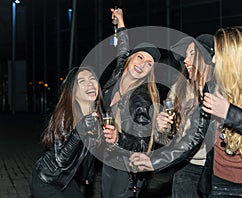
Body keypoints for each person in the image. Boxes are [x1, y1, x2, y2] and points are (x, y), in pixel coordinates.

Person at [130, 26, 242, 198]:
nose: (212, 60)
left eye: (217, 54)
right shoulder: (213, 88)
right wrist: (154, 160)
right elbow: (193, 137)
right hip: (217, 186)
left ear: (235, 55)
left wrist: (229, 113)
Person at [29, 66, 118, 197]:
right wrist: (80, 129)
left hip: (67, 180)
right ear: (73, 92)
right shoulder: (65, 115)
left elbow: (91, 151)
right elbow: (61, 160)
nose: (90, 84)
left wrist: (89, 174)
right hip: (46, 180)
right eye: (82, 81)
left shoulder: (97, 117)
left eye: (92, 79)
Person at [100, 8, 161, 198]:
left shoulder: (141, 98)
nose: (142, 64)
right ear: (130, 60)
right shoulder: (119, 73)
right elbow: (122, 49)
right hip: (110, 156)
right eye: (140, 57)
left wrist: (119, 138)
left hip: (128, 166)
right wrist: (120, 21)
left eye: (148, 63)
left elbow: (144, 145)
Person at [154, 34, 215, 198]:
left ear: (209, 57)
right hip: (187, 168)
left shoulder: (223, 89)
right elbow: (166, 138)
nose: (186, 60)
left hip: (218, 170)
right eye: (186, 55)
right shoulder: (178, 90)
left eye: (192, 54)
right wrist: (161, 129)